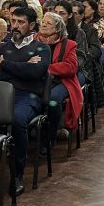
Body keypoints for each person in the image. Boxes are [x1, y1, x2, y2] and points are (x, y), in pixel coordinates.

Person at [0, 6, 50, 195]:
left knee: (16, 120)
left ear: (32, 25)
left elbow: (36, 73)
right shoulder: (1, 46)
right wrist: (22, 69)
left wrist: (5, 65)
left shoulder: (41, 47)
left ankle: (17, 175)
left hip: (28, 97)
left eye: (21, 22)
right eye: (13, 21)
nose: (15, 26)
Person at [37, 12, 82, 148]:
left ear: (58, 28)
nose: (44, 24)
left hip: (61, 81)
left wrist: (46, 68)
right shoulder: (33, 40)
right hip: (37, 80)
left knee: (53, 101)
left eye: (48, 23)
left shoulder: (69, 45)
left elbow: (71, 67)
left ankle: (49, 138)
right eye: (43, 22)